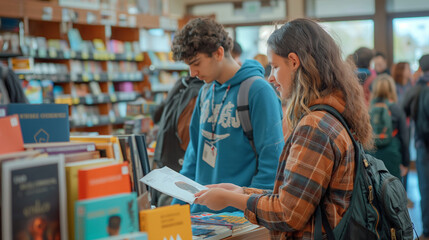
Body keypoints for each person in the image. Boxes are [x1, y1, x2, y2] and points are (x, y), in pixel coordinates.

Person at [194, 18, 373, 239]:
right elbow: (295, 196)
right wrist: (242, 191)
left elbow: (288, 214)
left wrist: (231, 200)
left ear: (294, 61)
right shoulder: (331, 115)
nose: (271, 77)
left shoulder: (315, 126)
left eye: (275, 67)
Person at [171, 17, 284, 213]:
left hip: (240, 220)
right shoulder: (205, 92)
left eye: (196, 63)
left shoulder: (258, 91)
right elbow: (192, 158)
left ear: (219, 52)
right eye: (188, 65)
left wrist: (248, 212)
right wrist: (175, 211)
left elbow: (271, 163)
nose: (192, 72)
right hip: (201, 219)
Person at [402, 54, 429, 240]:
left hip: (422, 144)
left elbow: (402, 108)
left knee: (425, 188)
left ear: (420, 68)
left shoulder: (417, 88)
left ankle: (427, 230)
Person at [368, 74, 409, 180]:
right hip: (392, 154)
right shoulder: (396, 109)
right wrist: (405, 162)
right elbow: (404, 138)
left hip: (372, 155)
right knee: (394, 191)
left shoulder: (368, 109)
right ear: (392, 89)